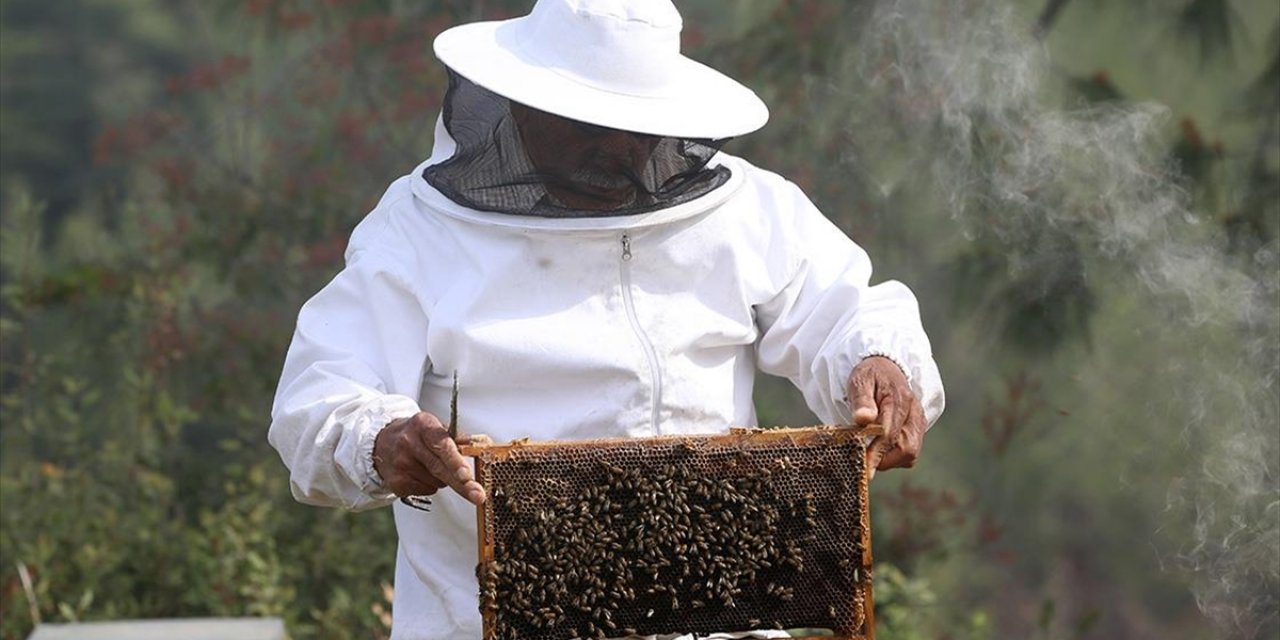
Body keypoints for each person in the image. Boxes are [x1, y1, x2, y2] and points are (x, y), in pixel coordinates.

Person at [268, 0, 945, 638]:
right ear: (524, 104)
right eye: (589, 125)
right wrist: (382, 441)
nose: (617, 151)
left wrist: (878, 362)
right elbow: (319, 396)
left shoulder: (748, 212)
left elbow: (849, 309)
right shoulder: (418, 233)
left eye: (637, 128)